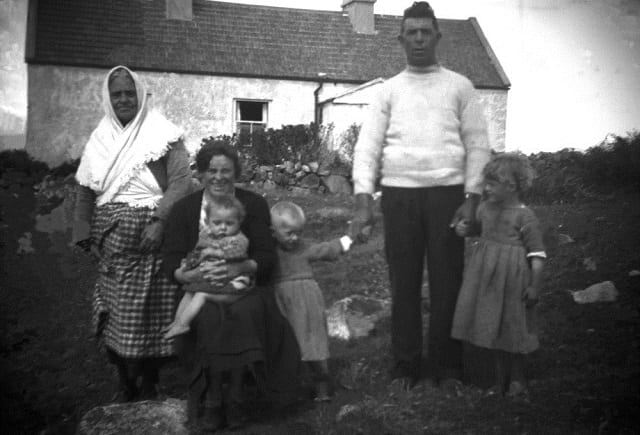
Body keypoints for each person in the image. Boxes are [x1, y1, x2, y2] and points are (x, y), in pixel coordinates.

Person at [350, 1, 491, 390]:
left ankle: (447, 366)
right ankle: (406, 366)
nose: (417, 38)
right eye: (410, 32)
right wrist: (364, 196)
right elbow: (367, 147)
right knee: (404, 283)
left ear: (437, 36)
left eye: (424, 31)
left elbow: (478, 143)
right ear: (400, 39)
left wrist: (473, 195)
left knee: (448, 282)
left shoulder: (460, 86)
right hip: (399, 197)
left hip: (447, 196)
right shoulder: (387, 91)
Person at [161, 140, 300, 432]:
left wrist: (239, 267)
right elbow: (171, 259)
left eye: (226, 170)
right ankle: (213, 397)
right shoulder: (184, 209)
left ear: (236, 172)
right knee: (209, 316)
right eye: (211, 170)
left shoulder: (252, 204)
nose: (219, 177)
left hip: (245, 284)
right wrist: (184, 275)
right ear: (200, 174)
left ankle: (234, 395)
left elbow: (265, 256)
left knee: (243, 312)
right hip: (199, 285)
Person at [72, 65, 193, 401]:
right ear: (108, 99)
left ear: (141, 95)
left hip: (154, 243)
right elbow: (85, 187)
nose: (124, 99)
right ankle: (126, 381)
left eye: (130, 93)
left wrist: (158, 221)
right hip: (114, 247)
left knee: (153, 313)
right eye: (117, 94)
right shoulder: (100, 137)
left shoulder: (164, 133)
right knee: (119, 314)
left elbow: (182, 182)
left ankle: (150, 380)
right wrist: (84, 233)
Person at [451, 153, 546, 397]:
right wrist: (466, 229)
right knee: (492, 323)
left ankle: (517, 377)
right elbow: (476, 230)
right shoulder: (484, 208)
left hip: (513, 281)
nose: (486, 188)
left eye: (492, 183)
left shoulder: (525, 217)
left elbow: (537, 254)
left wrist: (535, 286)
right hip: (486, 280)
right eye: (486, 182)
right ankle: (498, 377)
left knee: (513, 326)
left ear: (512, 186)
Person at [270, 201, 353, 402]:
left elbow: (324, 250)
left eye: (299, 232)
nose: (295, 237)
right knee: (288, 344)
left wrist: (345, 241)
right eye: (289, 233)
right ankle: (292, 389)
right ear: (272, 231)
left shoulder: (303, 247)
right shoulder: (269, 251)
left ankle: (322, 388)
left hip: (307, 301)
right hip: (282, 301)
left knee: (312, 341)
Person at [163, 194, 253, 340]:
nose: (223, 228)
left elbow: (237, 252)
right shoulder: (206, 235)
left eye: (229, 223)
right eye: (217, 223)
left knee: (200, 294)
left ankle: (184, 324)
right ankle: (177, 321)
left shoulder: (239, 239)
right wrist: (189, 263)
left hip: (232, 282)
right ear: (207, 222)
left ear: (239, 222)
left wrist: (215, 251)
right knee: (188, 292)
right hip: (212, 280)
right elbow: (198, 252)